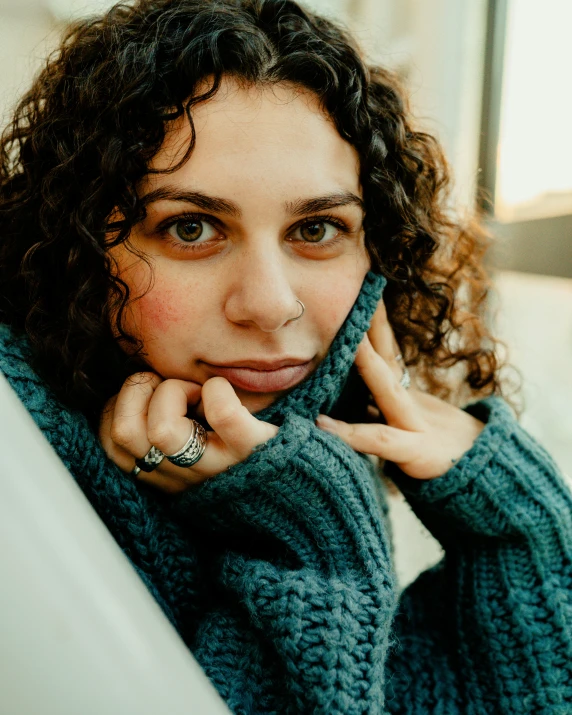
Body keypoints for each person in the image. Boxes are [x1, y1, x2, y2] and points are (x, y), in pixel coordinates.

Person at [0, 0, 570, 712]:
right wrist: (311, 537)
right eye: (190, 226)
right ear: (78, 247)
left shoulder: (313, 436)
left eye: (317, 228)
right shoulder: (20, 454)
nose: (270, 304)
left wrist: (520, 529)